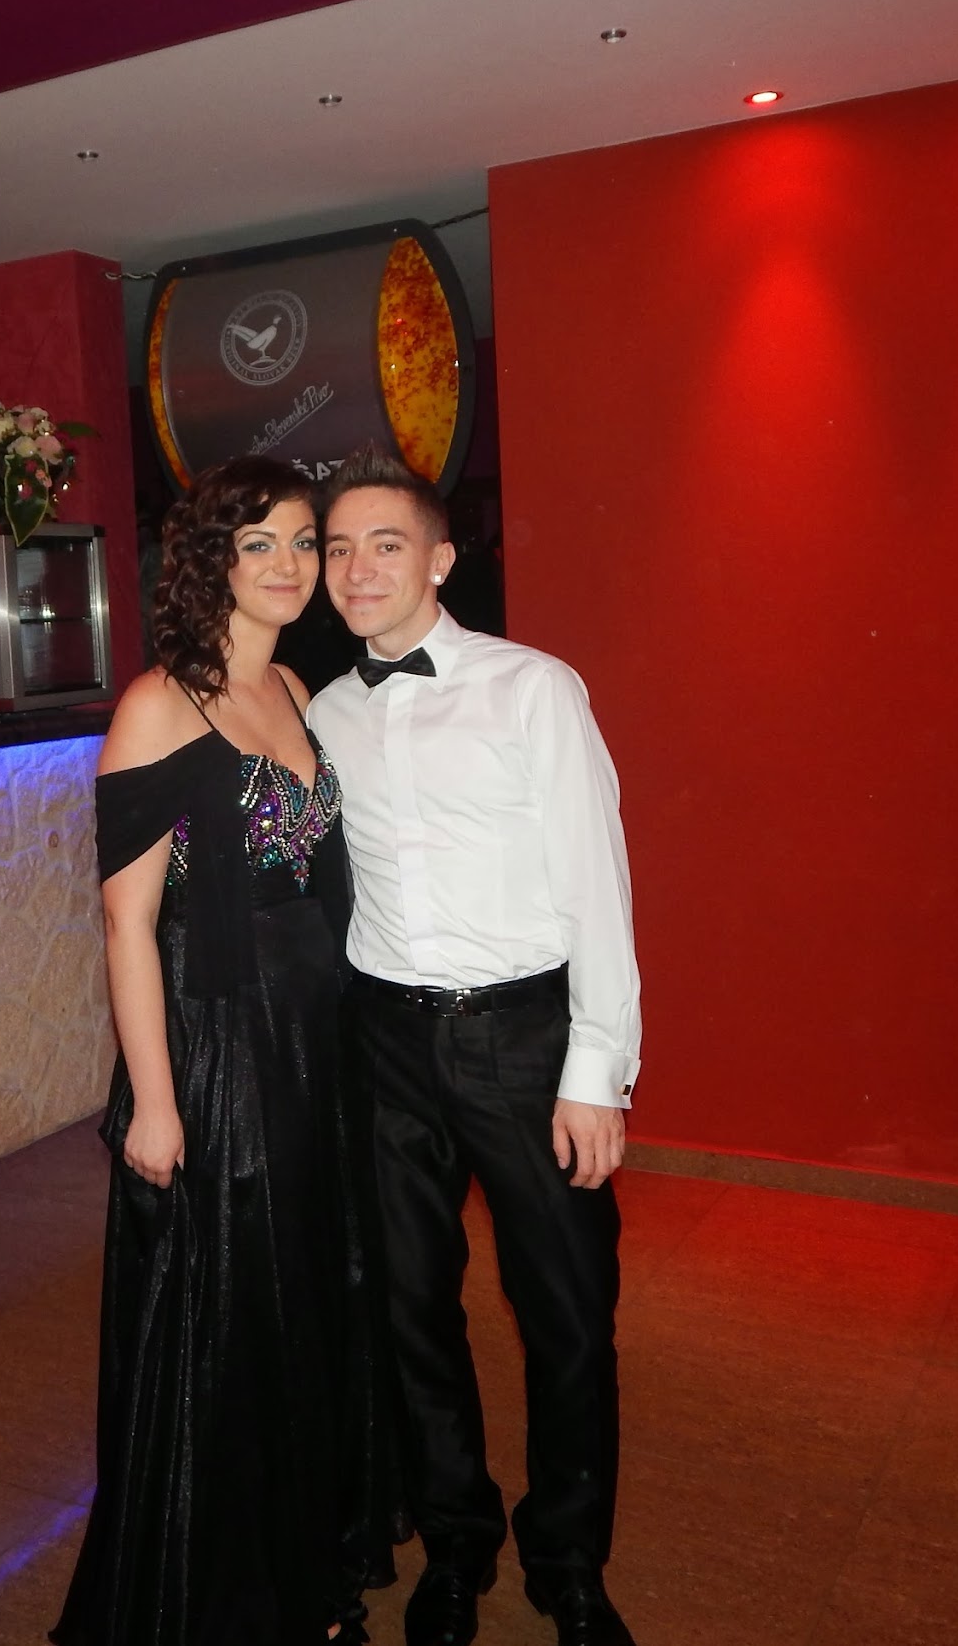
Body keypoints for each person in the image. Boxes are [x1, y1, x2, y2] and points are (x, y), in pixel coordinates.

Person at [53, 456, 401, 1646]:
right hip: (222, 1048)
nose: (291, 565)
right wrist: (155, 1103)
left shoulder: (294, 686)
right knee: (230, 1319)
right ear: (212, 559)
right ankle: (226, 1597)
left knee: (311, 1297)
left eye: (304, 541)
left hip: (319, 1043)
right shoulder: (160, 704)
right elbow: (128, 923)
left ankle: (304, 1562)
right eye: (261, 543)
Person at [309, 447, 641, 1646]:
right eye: (338, 548)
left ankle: (568, 1562)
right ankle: (456, 1545)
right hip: (386, 1046)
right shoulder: (323, 713)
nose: (357, 569)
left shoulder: (532, 689)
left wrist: (596, 1070)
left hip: (523, 1036)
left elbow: (596, 882)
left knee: (567, 1315)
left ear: (441, 559)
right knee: (410, 1311)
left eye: (385, 544)